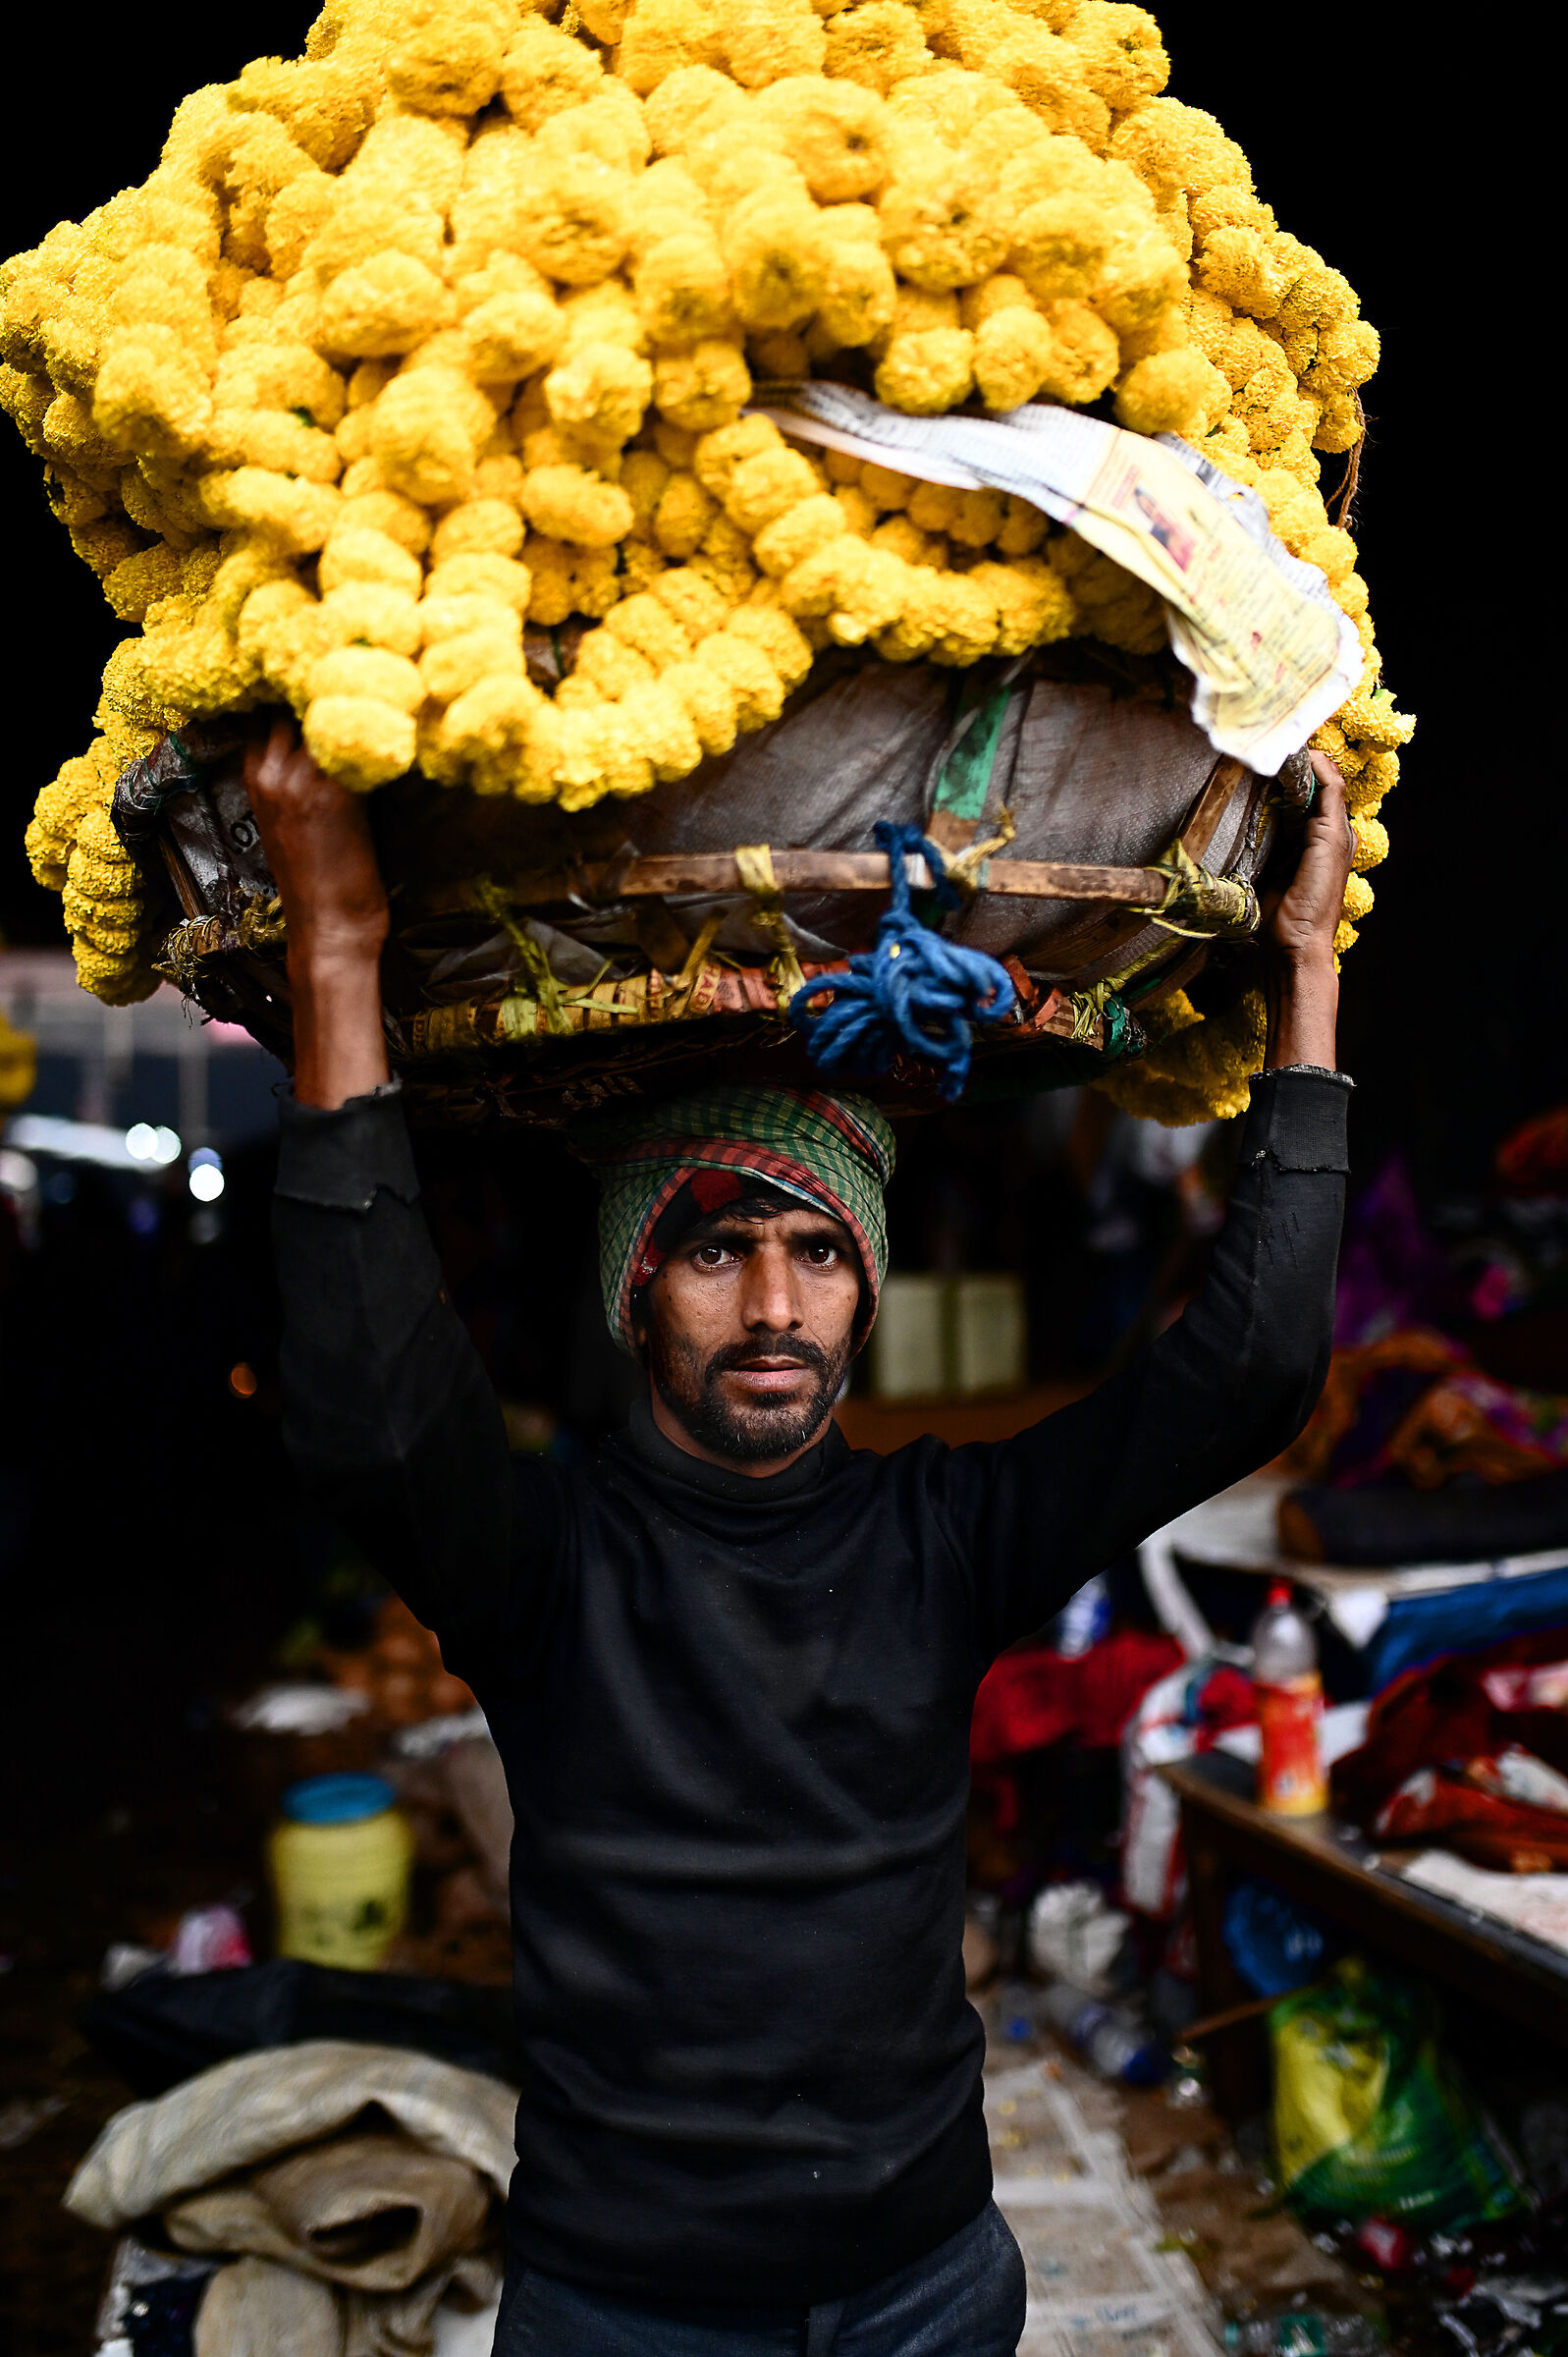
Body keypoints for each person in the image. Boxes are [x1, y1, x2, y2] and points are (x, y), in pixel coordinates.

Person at [250, 715, 1354, 2357]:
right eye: (717, 1252)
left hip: (926, 2286)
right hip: (629, 2311)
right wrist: (337, 947)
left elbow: (1249, 1368)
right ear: (635, 1291)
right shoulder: (540, 1565)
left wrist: (1305, 966)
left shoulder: (948, 1537)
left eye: (818, 1252)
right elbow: (371, 1407)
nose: (774, 1304)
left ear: (866, 1288)